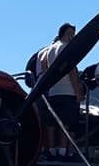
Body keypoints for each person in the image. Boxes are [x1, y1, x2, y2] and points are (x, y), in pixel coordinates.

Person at [34, 23, 85, 158]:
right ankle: (63, 151)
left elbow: (44, 66)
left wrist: (51, 82)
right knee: (65, 123)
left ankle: (51, 150)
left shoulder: (49, 49)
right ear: (68, 34)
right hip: (67, 91)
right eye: (72, 35)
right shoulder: (67, 48)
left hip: (54, 91)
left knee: (51, 123)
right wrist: (78, 91)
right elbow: (72, 72)